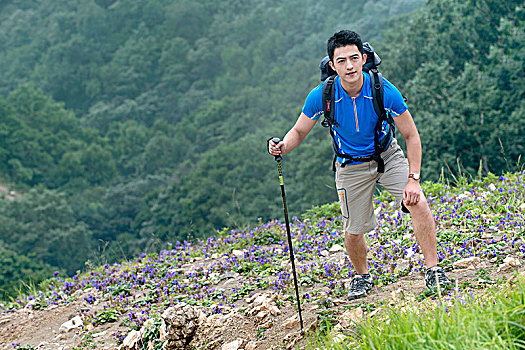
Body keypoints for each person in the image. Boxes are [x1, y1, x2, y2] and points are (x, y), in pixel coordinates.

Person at [268, 30, 452, 300]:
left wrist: (413, 178)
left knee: (418, 202)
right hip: (349, 165)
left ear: (364, 58)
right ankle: (362, 276)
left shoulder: (383, 90)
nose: (350, 66)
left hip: (386, 156)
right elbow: (298, 131)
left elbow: (411, 135)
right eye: (341, 61)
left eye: (354, 58)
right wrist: (282, 145)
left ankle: (434, 270)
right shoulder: (322, 95)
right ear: (332, 65)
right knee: (353, 229)